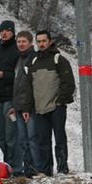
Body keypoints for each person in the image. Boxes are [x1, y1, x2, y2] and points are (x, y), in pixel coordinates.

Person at [31, 30, 76, 175]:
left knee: (59, 139)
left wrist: (60, 101)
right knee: (43, 141)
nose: (41, 44)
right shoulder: (34, 61)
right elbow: (30, 85)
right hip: (40, 108)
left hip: (56, 107)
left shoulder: (59, 59)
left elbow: (69, 83)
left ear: (50, 41)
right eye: (39, 41)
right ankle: (46, 171)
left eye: (44, 41)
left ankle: (62, 169)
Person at [0, 20, 21, 173]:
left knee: (11, 137)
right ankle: (7, 165)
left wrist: (3, 75)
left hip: (11, 98)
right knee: (1, 138)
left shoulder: (17, 50)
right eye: (2, 30)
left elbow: (19, 76)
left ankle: (15, 168)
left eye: (8, 30)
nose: (4, 33)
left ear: (13, 32)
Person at [11, 30, 39, 177]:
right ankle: (27, 169)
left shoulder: (33, 58)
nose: (21, 44)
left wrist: (27, 107)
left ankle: (36, 169)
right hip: (19, 106)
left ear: (30, 43)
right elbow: (17, 85)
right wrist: (14, 106)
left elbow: (31, 85)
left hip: (30, 107)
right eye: (19, 41)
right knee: (23, 140)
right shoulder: (19, 59)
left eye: (24, 41)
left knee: (32, 139)